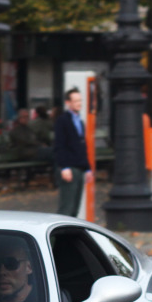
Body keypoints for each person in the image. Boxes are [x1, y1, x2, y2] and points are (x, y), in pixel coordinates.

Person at [52, 88, 90, 217]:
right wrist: (64, 167)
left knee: (74, 208)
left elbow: (81, 146)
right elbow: (60, 145)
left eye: (80, 100)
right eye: (76, 101)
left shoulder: (79, 121)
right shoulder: (62, 120)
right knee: (67, 207)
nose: (79, 103)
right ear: (68, 102)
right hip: (69, 167)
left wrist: (87, 169)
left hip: (78, 167)